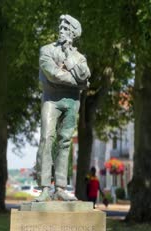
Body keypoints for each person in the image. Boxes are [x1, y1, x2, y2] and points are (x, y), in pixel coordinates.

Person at [34, 14, 91, 202]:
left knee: (65, 141)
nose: (62, 30)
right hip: (51, 99)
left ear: (74, 34)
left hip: (72, 101)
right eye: (61, 27)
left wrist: (69, 56)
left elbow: (85, 74)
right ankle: (44, 187)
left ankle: (60, 188)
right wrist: (79, 83)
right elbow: (52, 74)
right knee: (46, 138)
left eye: (66, 28)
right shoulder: (47, 50)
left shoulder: (79, 57)